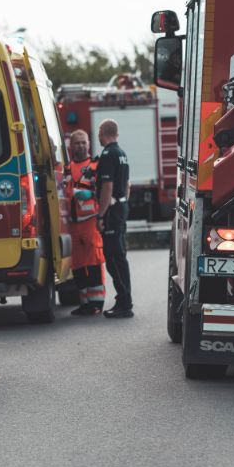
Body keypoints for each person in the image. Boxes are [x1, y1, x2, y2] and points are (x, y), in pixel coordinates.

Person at [64, 129, 106, 316]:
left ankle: (96, 303)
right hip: (72, 224)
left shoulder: (96, 166)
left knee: (94, 261)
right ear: (70, 146)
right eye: (76, 143)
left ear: (89, 144)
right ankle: (84, 303)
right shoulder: (65, 169)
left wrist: (91, 194)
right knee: (78, 265)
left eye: (83, 142)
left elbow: (106, 190)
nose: (80, 146)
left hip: (90, 222)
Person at [95, 118, 132, 318]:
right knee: (119, 256)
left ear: (102, 132)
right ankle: (124, 299)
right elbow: (127, 184)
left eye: (99, 133)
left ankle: (124, 302)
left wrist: (101, 214)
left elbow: (107, 187)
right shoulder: (122, 154)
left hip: (112, 211)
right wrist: (123, 203)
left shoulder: (108, 155)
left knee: (114, 258)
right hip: (121, 207)